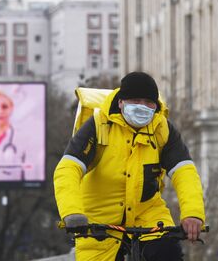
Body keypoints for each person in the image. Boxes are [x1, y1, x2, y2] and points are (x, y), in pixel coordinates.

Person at [54, 72, 205, 261]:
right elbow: (67, 170)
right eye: (135, 100)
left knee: (168, 251)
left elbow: (185, 173)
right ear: (120, 102)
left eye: (149, 102)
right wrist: (72, 213)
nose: (142, 107)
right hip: (99, 221)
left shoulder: (162, 129)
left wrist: (193, 214)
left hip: (148, 215)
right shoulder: (99, 125)